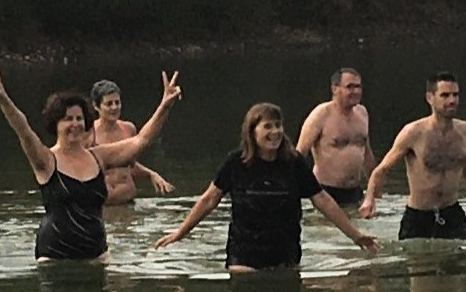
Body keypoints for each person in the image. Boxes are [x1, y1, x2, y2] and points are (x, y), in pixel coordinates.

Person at [0, 66, 181, 261]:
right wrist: (3, 101)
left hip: (97, 257)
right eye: (68, 119)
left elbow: (141, 141)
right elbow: (24, 131)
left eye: (79, 118)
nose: (75, 124)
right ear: (56, 123)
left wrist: (165, 106)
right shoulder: (46, 160)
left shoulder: (98, 156)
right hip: (55, 259)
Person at [154, 102, 379, 270]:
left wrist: (355, 235)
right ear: (252, 132)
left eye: (278, 125)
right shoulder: (236, 162)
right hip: (244, 254)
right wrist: (180, 232)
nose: (275, 132)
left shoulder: (293, 163)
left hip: (285, 252)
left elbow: (323, 201)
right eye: (267, 126)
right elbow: (209, 199)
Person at [361, 73, 466, 240]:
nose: (452, 100)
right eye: (445, 95)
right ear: (430, 98)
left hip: (451, 212)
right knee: (419, 263)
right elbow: (382, 169)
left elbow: (464, 163)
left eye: (455, 95)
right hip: (418, 216)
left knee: (460, 263)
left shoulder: (465, 131)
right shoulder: (414, 132)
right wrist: (369, 199)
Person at [294, 67, 375, 208]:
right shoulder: (321, 115)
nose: (355, 91)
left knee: (357, 229)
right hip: (325, 191)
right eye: (349, 87)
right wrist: (295, 190)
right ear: (335, 89)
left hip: (355, 192)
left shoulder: (362, 113)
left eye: (358, 87)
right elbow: (300, 155)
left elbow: (366, 152)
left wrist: (374, 190)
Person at [87, 79, 175, 207]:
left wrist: (151, 174)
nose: (114, 107)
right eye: (109, 104)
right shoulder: (88, 134)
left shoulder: (128, 128)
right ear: (96, 106)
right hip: (102, 206)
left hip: (127, 203)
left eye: (117, 102)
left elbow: (130, 164)